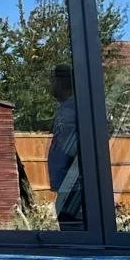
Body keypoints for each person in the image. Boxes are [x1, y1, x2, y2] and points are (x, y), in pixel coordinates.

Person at [45, 64, 83, 229]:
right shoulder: (66, 109)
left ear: (61, 82)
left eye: (52, 80)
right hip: (67, 186)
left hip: (75, 189)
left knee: (75, 237)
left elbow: (76, 148)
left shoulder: (74, 109)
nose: (50, 85)